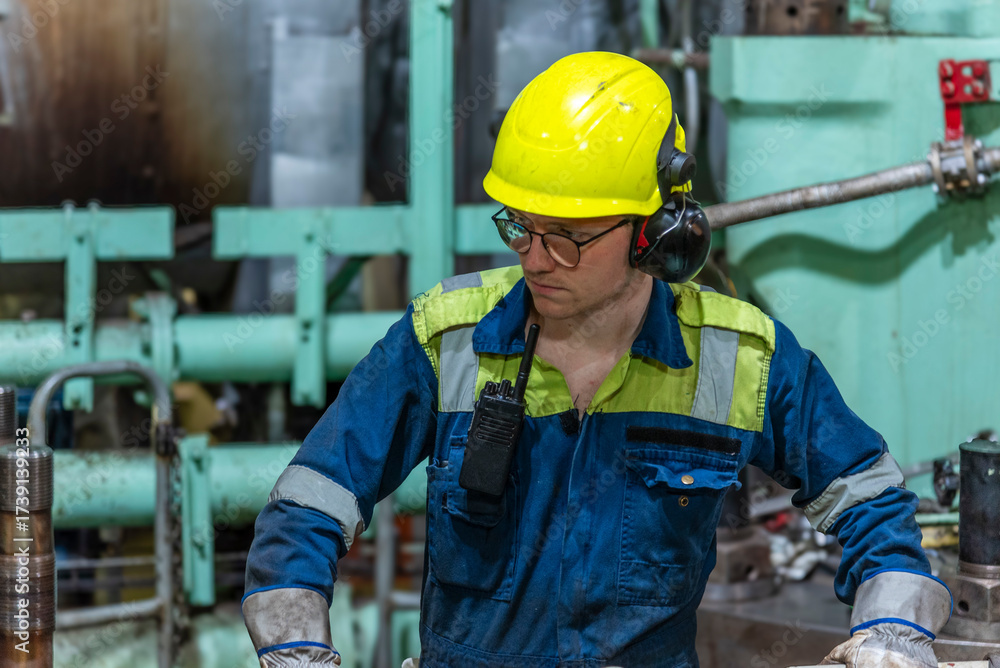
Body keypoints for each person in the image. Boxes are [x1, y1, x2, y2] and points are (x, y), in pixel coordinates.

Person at [241, 51, 951, 668]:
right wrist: (296, 649)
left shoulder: (741, 360)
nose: (534, 259)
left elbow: (874, 508)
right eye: (521, 228)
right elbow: (308, 505)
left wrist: (892, 629)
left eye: (568, 237)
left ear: (657, 233)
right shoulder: (444, 338)